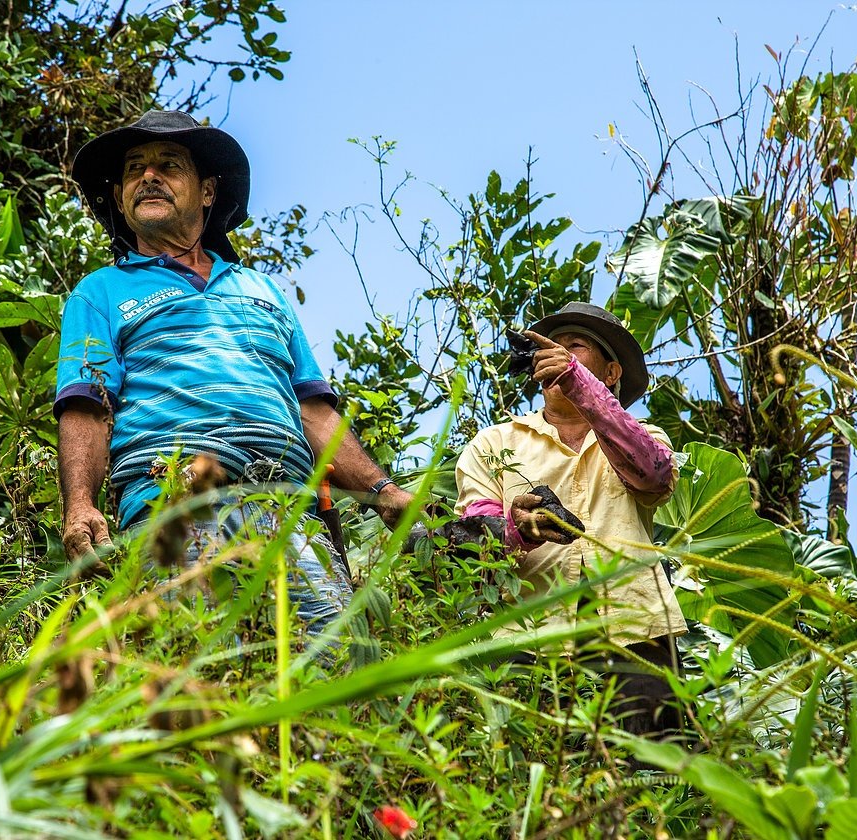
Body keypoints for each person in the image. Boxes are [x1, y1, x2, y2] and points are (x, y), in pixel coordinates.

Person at [55, 109, 412, 638]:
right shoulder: (100, 291)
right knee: (192, 682)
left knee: (328, 668)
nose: (147, 177)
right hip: (172, 505)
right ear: (119, 196)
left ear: (207, 191)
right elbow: (87, 404)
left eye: (168, 164)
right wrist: (79, 504)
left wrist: (383, 489)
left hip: (291, 511)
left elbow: (312, 409)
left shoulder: (263, 291)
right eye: (134, 169)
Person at [454, 302, 686, 734]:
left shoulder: (645, 436)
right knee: (522, 781)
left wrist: (579, 384)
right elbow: (474, 539)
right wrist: (515, 529)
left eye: (574, 346)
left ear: (612, 373)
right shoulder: (494, 443)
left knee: (647, 779)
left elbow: (653, 475)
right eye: (551, 349)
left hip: (634, 631)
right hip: (525, 636)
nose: (555, 355)